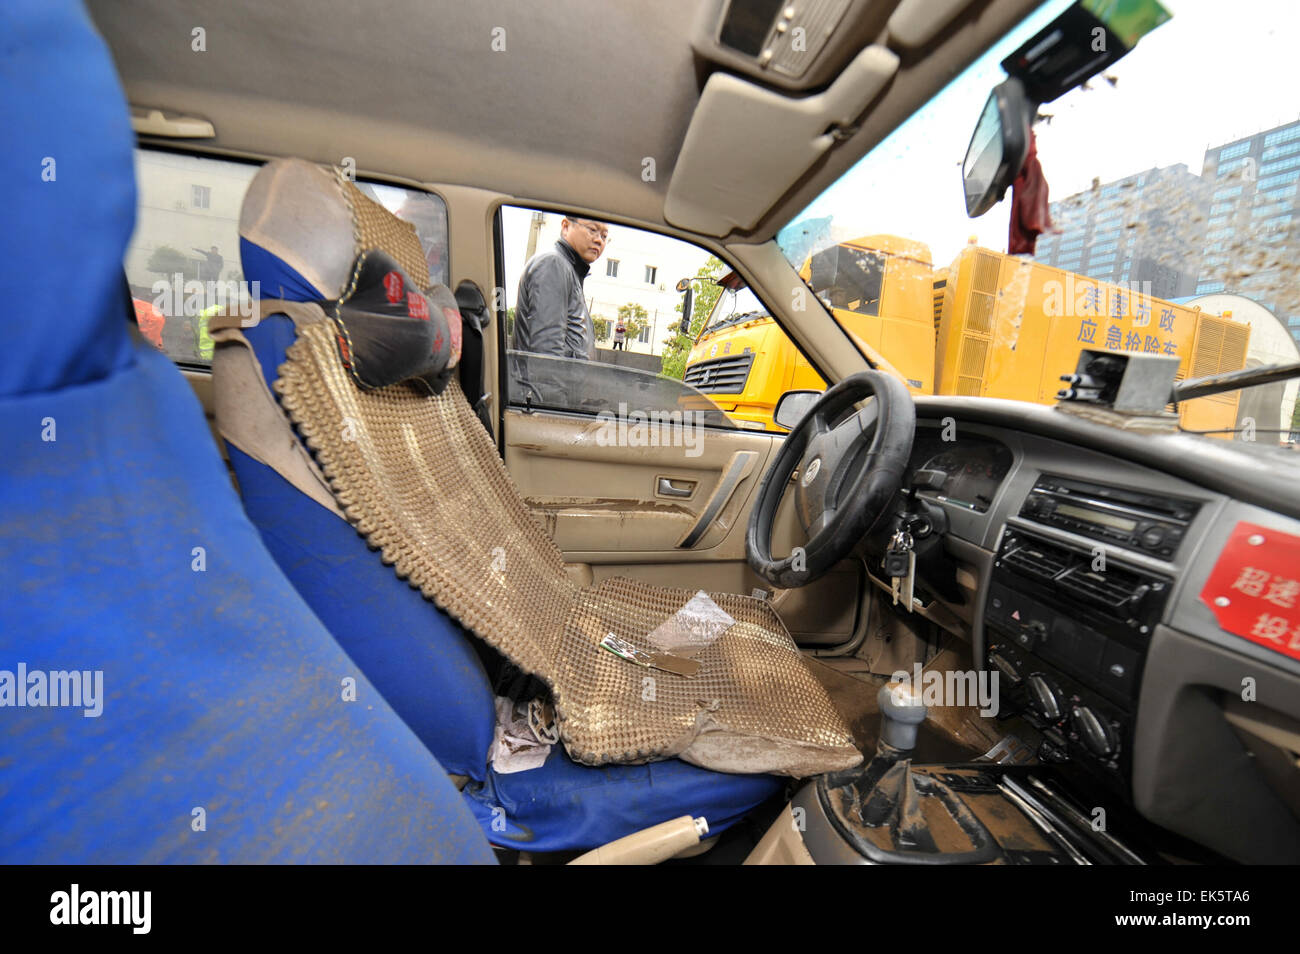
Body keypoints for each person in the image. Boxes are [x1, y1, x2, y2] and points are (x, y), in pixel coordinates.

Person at [512, 216, 606, 359]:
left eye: (604, 236)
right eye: (592, 230)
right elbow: (546, 357)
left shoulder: (570, 272)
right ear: (566, 226)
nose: (599, 240)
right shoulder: (553, 264)